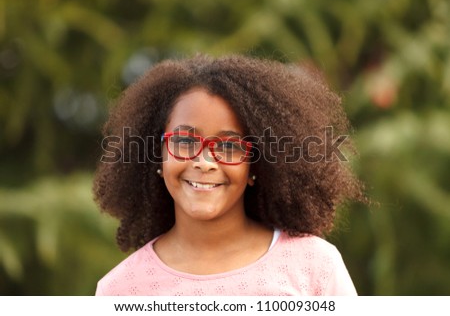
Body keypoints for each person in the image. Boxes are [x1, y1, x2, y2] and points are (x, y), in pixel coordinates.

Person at [93, 54, 365, 296]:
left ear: (254, 166)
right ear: (158, 155)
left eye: (229, 146)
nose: (204, 161)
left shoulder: (314, 266)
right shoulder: (120, 290)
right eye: (185, 141)